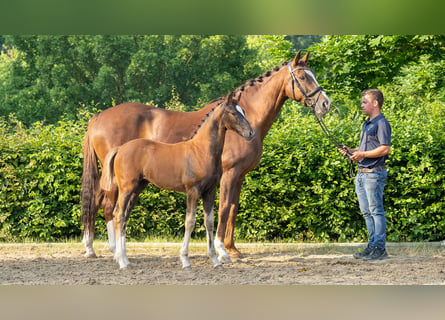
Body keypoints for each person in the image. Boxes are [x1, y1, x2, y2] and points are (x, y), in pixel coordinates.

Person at [339, 89, 391, 260]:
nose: (362, 105)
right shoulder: (367, 124)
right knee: (367, 212)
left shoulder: (381, 123)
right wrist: (351, 151)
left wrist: (362, 155)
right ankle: (372, 246)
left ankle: (380, 248)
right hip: (362, 174)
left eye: (365, 102)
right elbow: (365, 150)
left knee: (376, 211)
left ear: (375, 103)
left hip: (374, 174)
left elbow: (385, 148)